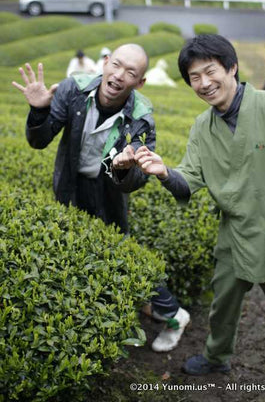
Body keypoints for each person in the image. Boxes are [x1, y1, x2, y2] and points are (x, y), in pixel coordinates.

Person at [119, 34, 265, 389]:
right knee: (222, 304)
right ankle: (216, 357)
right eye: (194, 77)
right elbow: (189, 180)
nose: (204, 83)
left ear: (232, 68)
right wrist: (164, 172)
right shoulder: (202, 127)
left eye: (210, 72)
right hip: (235, 234)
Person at [12, 43, 190, 353]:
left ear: (140, 82)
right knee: (74, 251)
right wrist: (39, 109)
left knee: (121, 254)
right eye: (116, 65)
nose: (120, 76)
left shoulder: (141, 118)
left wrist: (124, 169)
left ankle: (174, 314)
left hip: (106, 194)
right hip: (69, 185)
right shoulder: (73, 89)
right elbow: (39, 141)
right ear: (105, 63)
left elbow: (134, 182)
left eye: (131, 72)